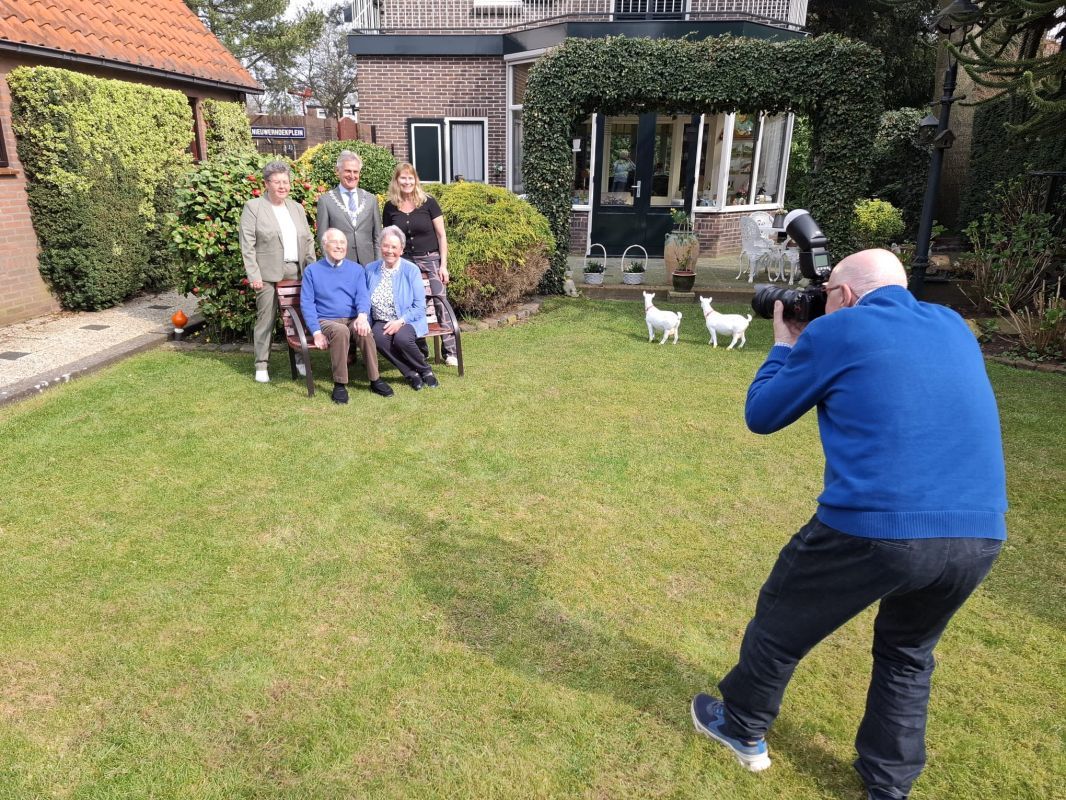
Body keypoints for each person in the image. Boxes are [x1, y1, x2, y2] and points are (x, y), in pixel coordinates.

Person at [691, 249, 1007, 800]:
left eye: (826, 294)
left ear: (845, 295)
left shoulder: (837, 329)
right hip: (980, 532)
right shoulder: (954, 325)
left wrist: (786, 344)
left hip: (875, 525)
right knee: (908, 655)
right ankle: (888, 786)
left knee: (781, 624)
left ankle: (741, 726)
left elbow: (762, 414)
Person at [239, 161, 315, 384]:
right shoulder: (253, 207)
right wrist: (254, 275)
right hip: (267, 275)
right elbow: (247, 244)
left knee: (298, 318)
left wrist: (312, 270)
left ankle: (300, 359)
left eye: (286, 182)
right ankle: (261, 365)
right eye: (277, 182)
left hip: (296, 271)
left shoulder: (297, 208)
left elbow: (308, 240)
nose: (282, 186)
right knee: (266, 319)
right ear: (266, 183)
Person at [299, 228, 394, 404]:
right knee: (341, 331)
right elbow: (307, 304)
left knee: (364, 330)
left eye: (342, 242)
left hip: (352, 319)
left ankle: (375, 379)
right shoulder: (312, 271)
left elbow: (363, 296)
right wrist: (316, 333)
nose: (339, 246)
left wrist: (362, 317)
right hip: (326, 320)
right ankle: (340, 384)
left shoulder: (356, 269)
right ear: (324, 245)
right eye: (335, 242)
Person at [381, 162, 457, 367]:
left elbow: (441, 235)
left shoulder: (428, 202)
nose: (407, 182)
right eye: (403, 178)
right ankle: (419, 349)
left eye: (410, 177)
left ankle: (450, 351)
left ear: (415, 180)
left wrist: (443, 265)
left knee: (440, 302)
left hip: (430, 259)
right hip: (404, 262)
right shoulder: (390, 207)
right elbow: (389, 238)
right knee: (409, 304)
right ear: (396, 181)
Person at [365, 226, 440, 391]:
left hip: (408, 318)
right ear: (380, 247)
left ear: (401, 250)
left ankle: (425, 370)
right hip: (381, 320)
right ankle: (410, 373)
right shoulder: (370, 269)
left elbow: (419, 305)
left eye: (394, 247)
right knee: (378, 339)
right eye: (386, 246)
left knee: (402, 338)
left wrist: (400, 321)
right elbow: (364, 298)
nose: (389, 250)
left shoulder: (411, 270)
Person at [315, 150, 381, 268]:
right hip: (340, 265)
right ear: (338, 171)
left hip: (368, 264)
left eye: (355, 172)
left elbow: (378, 236)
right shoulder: (326, 201)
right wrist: (332, 265)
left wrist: (378, 263)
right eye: (348, 171)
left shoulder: (371, 199)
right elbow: (322, 238)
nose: (352, 176)